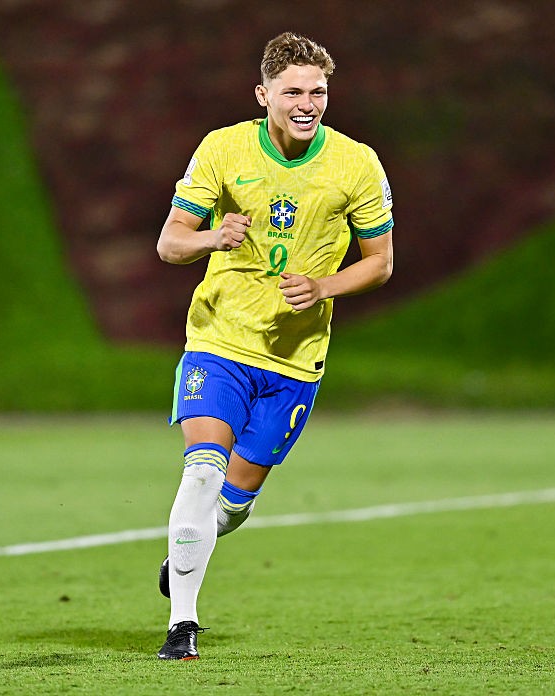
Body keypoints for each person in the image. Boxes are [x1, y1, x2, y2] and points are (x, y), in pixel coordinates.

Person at [154, 31, 394, 660]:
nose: (307, 104)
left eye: (318, 91)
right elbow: (170, 243)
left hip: (294, 361)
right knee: (202, 471)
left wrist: (323, 286)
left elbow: (381, 263)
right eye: (292, 92)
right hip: (220, 341)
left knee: (231, 506)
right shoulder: (222, 148)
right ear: (263, 94)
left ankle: (186, 550)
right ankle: (182, 625)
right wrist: (212, 238)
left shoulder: (356, 163)